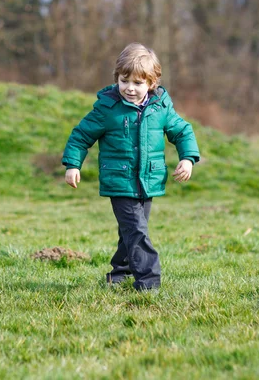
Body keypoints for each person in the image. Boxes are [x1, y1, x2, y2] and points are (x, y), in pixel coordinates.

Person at [61, 43, 200, 291]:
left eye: (138, 83)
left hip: (149, 180)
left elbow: (182, 131)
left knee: (132, 231)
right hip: (120, 182)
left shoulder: (161, 108)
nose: (130, 88)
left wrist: (187, 158)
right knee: (137, 231)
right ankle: (149, 282)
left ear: (152, 83)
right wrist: (73, 164)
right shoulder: (107, 108)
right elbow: (81, 135)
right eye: (124, 81)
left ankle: (120, 274)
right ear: (117, 78)